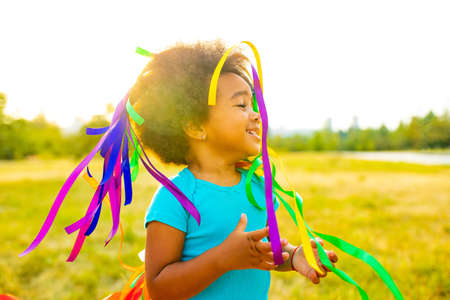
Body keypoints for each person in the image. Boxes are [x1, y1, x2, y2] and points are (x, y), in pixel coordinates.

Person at [127, 39, 339, 300]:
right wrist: (222, 259)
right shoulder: (175, 198)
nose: (256, 114)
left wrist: (294, 256)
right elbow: (158, 288)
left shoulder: (257, 189)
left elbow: (257, 254)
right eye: (241, 105)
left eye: (254, 104)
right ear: (195, 126)